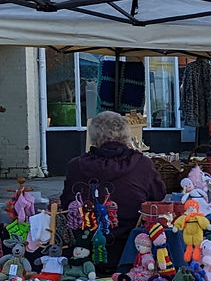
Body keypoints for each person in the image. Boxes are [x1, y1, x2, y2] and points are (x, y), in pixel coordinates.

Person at [62, 111, 166, 271]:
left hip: (83, 252)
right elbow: (158, 196)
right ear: (126, 134)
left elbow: (66, 203)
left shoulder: (76, 166)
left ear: (93, 136)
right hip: (133, 250)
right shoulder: (142, 164)